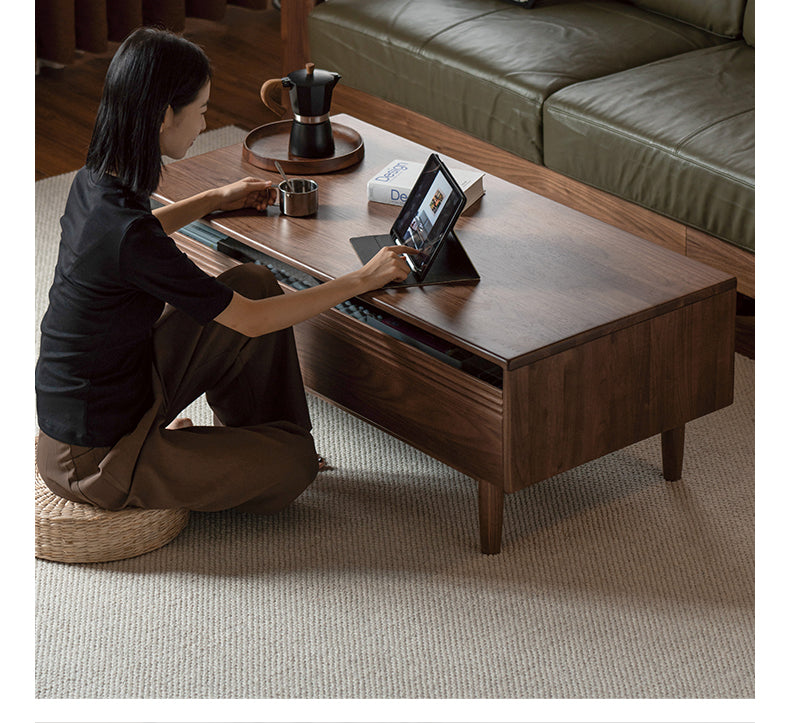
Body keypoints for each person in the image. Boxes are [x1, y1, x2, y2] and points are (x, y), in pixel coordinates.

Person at [35, 27, 417, 514]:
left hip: (127, 388)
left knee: (254, 281)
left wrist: (216, 198)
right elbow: (249, 322)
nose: (203, 123)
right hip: (92, 456)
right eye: (200, 111)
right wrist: (361, 280)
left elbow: (139, 235)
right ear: (162, 116)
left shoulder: (97, 178)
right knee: (293, 465)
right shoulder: (124, 231)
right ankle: (255, 451)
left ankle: (255, 437)